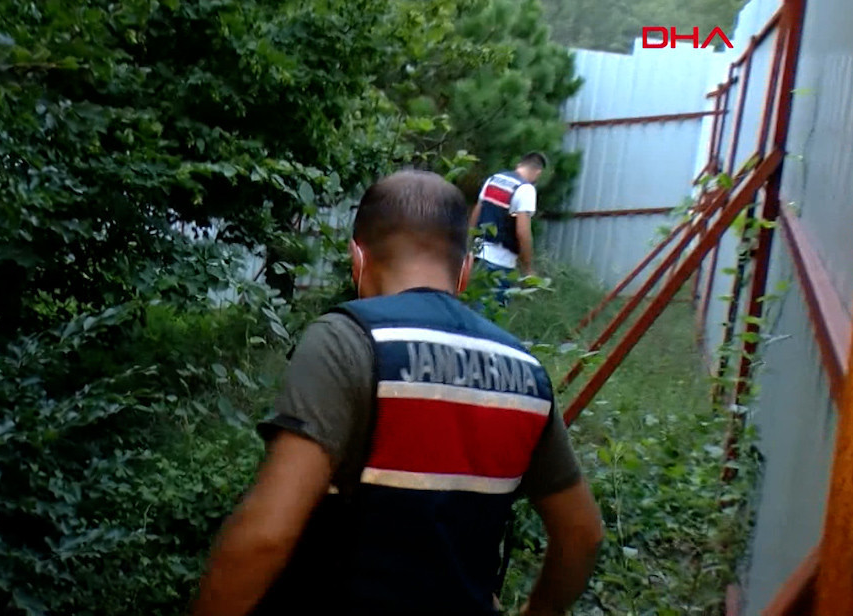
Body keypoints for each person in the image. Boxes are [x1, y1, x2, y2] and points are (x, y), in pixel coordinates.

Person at [191, 169, 602, 616]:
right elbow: (582, 534)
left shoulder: (345, 341)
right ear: (465, 271)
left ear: (357, 259)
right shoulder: (525, 371)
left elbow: (266, 536)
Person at [468, 152, 548, 306]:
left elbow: (477, 212)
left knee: (472, 308)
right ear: (538, 172)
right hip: (500, 263)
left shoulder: (494, 179)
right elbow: (523, 232)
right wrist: (528, 268)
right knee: (490, 313)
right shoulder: (526, 189)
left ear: (519, 165)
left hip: (477, 256)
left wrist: (469, 245)